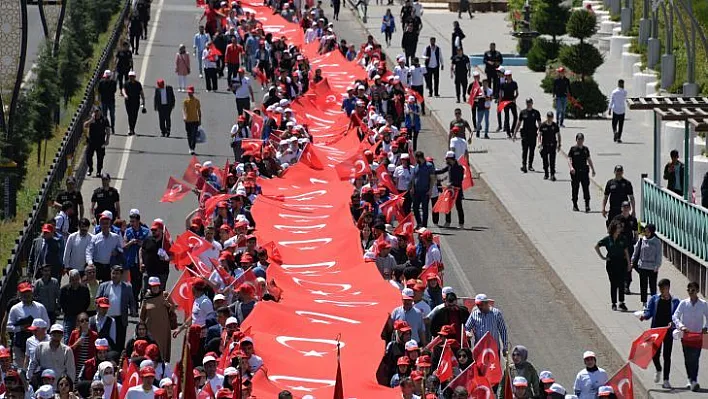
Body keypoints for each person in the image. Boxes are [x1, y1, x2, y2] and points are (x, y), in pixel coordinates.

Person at [639, 278, 679, 389]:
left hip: (668, 331)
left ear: (668, 288)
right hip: (656, 331)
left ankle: (666, 379)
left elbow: (677, 316)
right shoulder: (654, 299)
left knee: (667, 355)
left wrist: (674, 324)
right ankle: (658, 369)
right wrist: (644, 316)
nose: (662, 291)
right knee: (654, 354)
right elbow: (649, 311)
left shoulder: (675, 301)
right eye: (660, 288)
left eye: (664, 288)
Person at [672, 281, 708, 392]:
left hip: (697, 336)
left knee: (695, 358)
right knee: (688, 359)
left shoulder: (703, 304)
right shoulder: (683, 303)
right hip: (686, 335)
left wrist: (705, 327)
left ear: (697, 291)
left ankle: (694, 380)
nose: (690, 292)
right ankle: (689, 378)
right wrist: (681, 326)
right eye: (689, 290)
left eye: (693, 290)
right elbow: (675, 316)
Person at [7, 281, 50, 368]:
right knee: (22, 369)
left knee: (38, 368)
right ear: (19, 294)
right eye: (24, 293)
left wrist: (38, 329)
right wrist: (21, 328)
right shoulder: (15, 309)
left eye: (28, 292)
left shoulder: (40, 307)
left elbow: (47, 324)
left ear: (32, 292)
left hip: (38, 342)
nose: (27, 295)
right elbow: (8, 327)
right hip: (20, 343)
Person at [97, 266, 136, 350]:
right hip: (106, 319)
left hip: (120, 320)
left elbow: (132, 301)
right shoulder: (103, 286)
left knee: (120, 343)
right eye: (113, 273)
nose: (114, 275)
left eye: (117, 273)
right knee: (106, 343)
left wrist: (133, 311)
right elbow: (97, 300)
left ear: (121, 275)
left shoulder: (127, 287)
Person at [595, 220, 631, 311]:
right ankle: (614, 303)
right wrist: (603, 257)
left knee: (621, 282)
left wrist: (629, 263)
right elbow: (597, 246)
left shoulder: (623, 238)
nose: (619, 229)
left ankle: (622, 302)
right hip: (611, 262)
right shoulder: (608, 239)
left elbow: (626, 251)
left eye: (620, 227)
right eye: (618, 227)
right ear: (614, 228)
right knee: (613, 283)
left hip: (621, 262)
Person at [140, 277, 173, 362]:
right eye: (153, 286)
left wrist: (168, 305)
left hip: (163, 330)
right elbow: (142, 316)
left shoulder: (165, 295)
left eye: (157, 286)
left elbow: (174, 308)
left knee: (163, 349)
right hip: (151, 330)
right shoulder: (146, 298)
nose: (155, 288)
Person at [631, 223, 663, 307]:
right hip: (642, 266)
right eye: (645, 231)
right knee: (643, 285)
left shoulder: (657, 241)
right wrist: (632, 261)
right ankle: (644, 302)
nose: (646, 233)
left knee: (652, 285)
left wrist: (657, 265)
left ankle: (653, 302)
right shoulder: (641, 240)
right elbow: (636, 251)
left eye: (648, 231)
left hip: (652, 267)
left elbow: (659, 254)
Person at [86, 212, 122, 281]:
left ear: (110, 224)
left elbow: (121, 249)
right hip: (98, 266)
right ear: (100, 225)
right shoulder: (95, 238)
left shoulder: (115, 237)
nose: (105, 225)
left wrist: (117, 251)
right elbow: (89, 251)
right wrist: (90, 263)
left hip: (111, 267)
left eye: (107, 223)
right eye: (103, 223)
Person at [612, 202, 638, 294]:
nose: (626, 209)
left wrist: (636, 242)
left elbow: (635, 232)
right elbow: (611, 231)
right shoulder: (617, 219)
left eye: (628, 207)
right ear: (621, 208)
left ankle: (627, 285)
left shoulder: (633, 219)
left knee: (628, 264)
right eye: (624, 207)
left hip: (629, 246)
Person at [59, 269, 90, 342]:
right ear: (70, 279)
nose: (75, 281)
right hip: (69, 317)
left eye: (76, 279)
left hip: (81, 318)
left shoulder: (84, 289)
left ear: (79, 278)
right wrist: (67, 311)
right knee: (67, 338)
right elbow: (61, 303)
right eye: (73, 279)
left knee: (81, 338)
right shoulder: (64, 289)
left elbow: (87, 302)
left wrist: (82, 313)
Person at [567, 133, 596, 212]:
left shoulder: (585, 149)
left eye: (581, 139)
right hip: (575, 172)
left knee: (586, 189)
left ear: (583, 140)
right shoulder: (573, 149)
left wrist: (593, 169)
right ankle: (575, 205)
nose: (580, 141)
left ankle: (587, 205)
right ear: (576, 140)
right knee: (575, 188)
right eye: (578, 139)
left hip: (584, 172)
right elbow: (569, 159)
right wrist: (571, 168)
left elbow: (589, 159)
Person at [140, 220, 171, 291]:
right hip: (148, 272)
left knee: (159, 293)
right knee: (146, 292)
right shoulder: (148, 240)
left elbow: (173, 256)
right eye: (152, 230)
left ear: (161, 230)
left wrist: (166, 258)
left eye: (155, 229)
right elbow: (141, 250)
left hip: (161, 273)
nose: (153, 231)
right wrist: (141, 262)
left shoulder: (166, 242)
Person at [67, 312, 98, 380]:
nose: (85, 322)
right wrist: (77, 343)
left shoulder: (94, 335)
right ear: (79, 323)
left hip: (88, 366)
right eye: (82, 321)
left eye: (87, 320)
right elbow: (68, 350)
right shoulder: (74, 333)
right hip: (77, 365)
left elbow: (96, 352)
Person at [437, 152, 464, 228]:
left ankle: (461, 224)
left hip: (457, 190)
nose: (446, 160)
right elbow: (442, 171)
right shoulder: (449, 166)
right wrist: (432, 171)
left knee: (459, 207)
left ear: (451, 159)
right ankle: (448, 222)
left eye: (447, 159)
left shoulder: (459, 167)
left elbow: (460, 179)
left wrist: (451, 183)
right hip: (450, 190)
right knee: (447, 205)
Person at [514, 98, 541, 173]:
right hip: (525, 134)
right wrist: (515, 133)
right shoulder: (523, 112)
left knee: (532, 150)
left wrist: (541, 134)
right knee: (525, 150)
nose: (529, 104)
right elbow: (519, 123)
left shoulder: (536, 112)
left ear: (532, 103)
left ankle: (530, 165)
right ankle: (524, 165)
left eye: (530, 102)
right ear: (526, 103)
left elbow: (539, 124)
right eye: (527, 102)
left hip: (533, 134)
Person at [84, 107, 111, 178]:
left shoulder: (104, 119)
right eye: (95, 111)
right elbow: (85, 125)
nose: (96, 113)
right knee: (88, 156)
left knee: (100, 157)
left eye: (97, 111)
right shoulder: (91, 119)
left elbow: (108, 130)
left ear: (100, 111)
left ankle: (98, 171)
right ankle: (90, 168)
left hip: (101, 142)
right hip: (91, 141)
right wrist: (91, 120)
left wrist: (107, 140)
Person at [412, 151, 436, 228]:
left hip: (425, 191)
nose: (415, 159)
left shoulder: (429, 166)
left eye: (416, 158)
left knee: (425, 208)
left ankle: (424, 225)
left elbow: (432, 178)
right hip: (416, 191)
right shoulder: (417, 165)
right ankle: (419, 223)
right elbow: (414, 177)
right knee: (415, 208)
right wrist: (412, 187)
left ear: (419, 157)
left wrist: (430, 190)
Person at [538, 111, 561, 180]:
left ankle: (552, 175)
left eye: (551, 117)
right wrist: (539, 142)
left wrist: (559, 144)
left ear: (553, 117)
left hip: (552, 145)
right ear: (547, 117)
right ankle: (546, 174)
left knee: (552, 161)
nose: (550, 118)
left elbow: (558, 135)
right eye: (548, 117)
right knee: (545, 160)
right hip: (545, 145)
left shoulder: (555, 125)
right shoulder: (543, 125)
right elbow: (539, 134)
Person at [183, 86, 202, 155]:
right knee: (189, 135)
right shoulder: (185, 101)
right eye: (188, 92)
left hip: (195, 120)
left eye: (190, 92)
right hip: (188, 120)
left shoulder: (196, 101)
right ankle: (190, 147)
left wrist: (200, 120)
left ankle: (192, 148)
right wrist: (184, 117)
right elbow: (184, 110)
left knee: (194, 135)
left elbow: (199, 111)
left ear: (193, 92)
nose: (189, 93)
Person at [500, 70, 519, 138]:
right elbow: (501, 94)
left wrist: (515, 98)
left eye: (509, 75)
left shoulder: (514, 83)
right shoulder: (503, 84)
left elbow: (517, 93)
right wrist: (500, 101)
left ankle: (512, 130)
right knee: (507, 117)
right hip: (505, 102)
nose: (508, 77)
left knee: (515, 117)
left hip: (512, 101)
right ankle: (508, 133)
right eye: (507, 76)